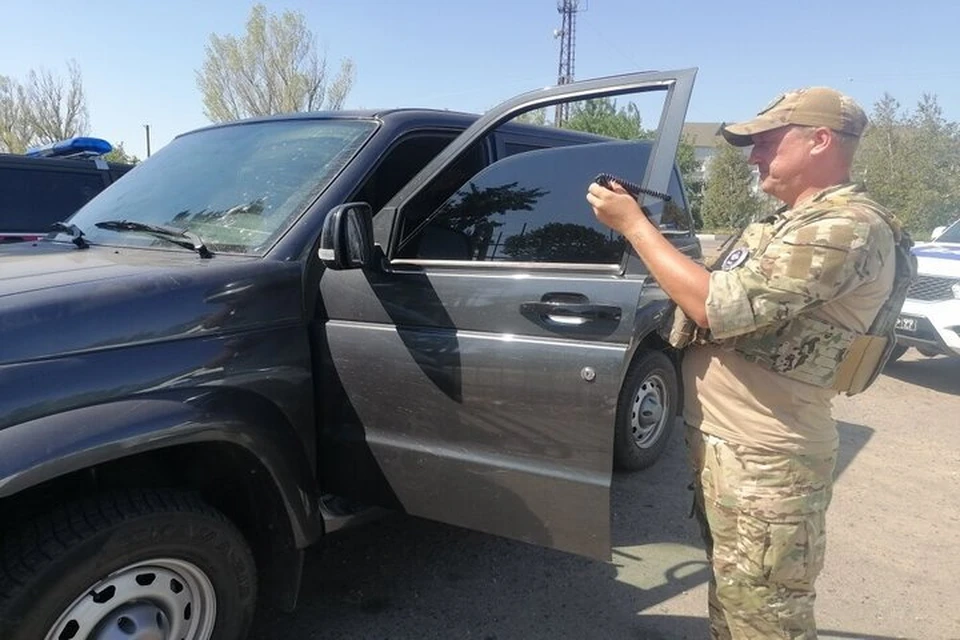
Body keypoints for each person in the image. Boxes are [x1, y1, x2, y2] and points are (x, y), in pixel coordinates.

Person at [587, 87, 909, 639]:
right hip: (729, 446)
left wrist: (635, 225)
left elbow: (714, 304)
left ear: (820, 141)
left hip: (769, 457)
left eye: (766, 142)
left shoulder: (846, 228)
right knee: (734, 598)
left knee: (767, 618)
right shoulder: (783, 222)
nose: (753, 155)